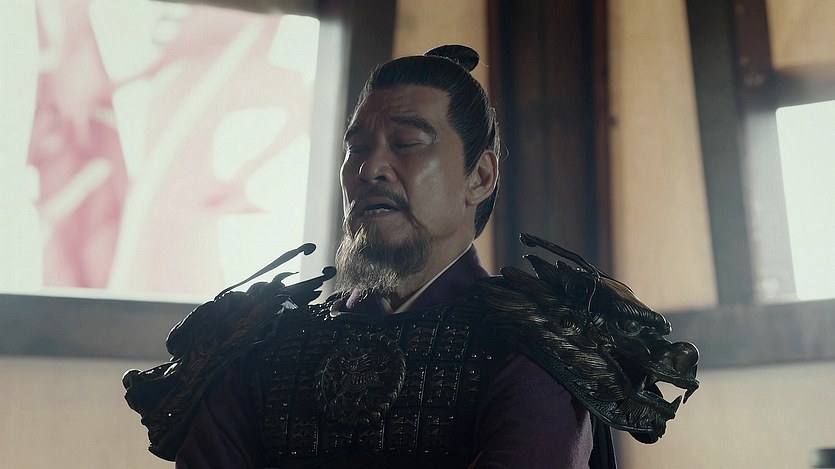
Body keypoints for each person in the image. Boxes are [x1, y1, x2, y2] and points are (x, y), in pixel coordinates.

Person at [126, 44, 699, 469]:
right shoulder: (261, 345)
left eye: (405, 143)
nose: (369, 168)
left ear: (480, 176)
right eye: (356, 148)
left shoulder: (532, 350)